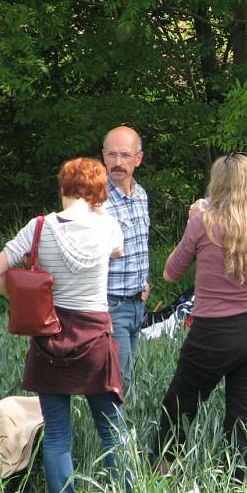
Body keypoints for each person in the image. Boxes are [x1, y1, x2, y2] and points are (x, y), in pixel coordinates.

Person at [0, 158, 128, 493]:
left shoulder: (39, 227)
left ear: (62, 188)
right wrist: (101, 209)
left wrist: (24, 301)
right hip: (95, 339)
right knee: (112, 431)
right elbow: (119, 251)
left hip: (50, 337)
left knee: (58, 435)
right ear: (97, 193)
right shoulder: (109, 228)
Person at [155, 153, 247, 481]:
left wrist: (192, 221)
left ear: (218, 184)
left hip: (211, 334)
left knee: (179, 407)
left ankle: (160, 475)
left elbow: (171, 273)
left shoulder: (203, 221)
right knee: (245, 420)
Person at [102, 126, 150, 397]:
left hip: (137, 303)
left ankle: (125, 435)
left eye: (125, 155)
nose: (118, 162)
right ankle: (116, 439)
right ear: (103, 156)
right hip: (110, 303)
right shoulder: (94, 199)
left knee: (128, 379)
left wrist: (145, 282)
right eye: (112, 155)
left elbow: (140, 245)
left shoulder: (141, 195)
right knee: (117, 384)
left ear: (138, 159)